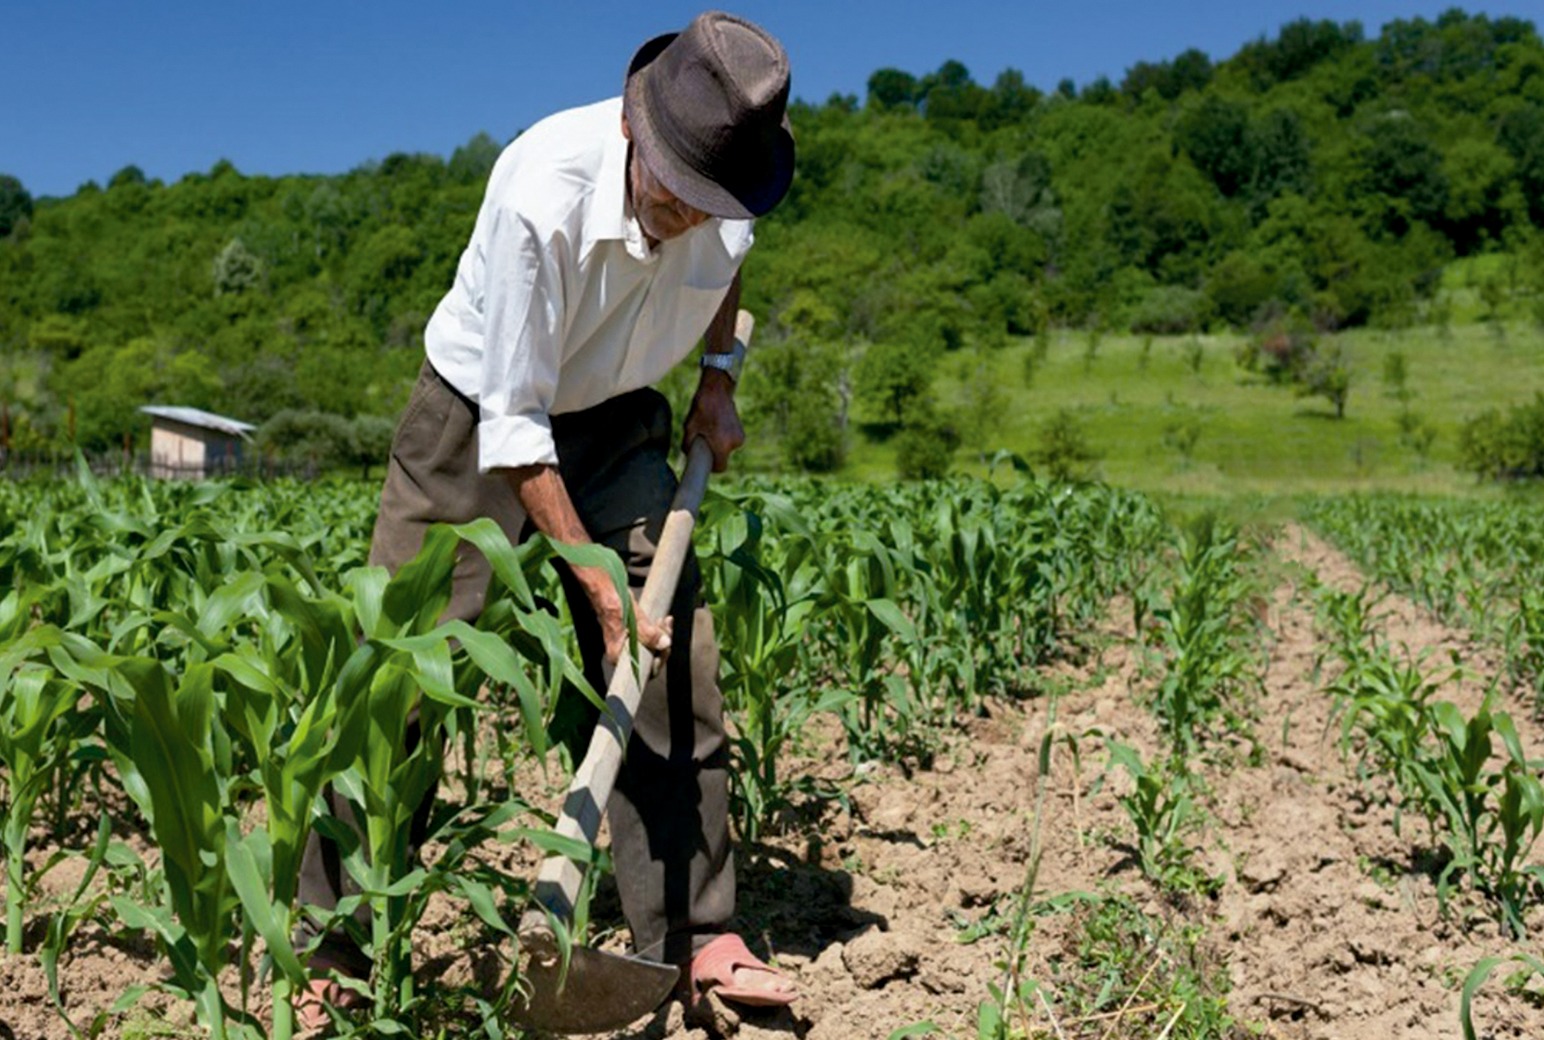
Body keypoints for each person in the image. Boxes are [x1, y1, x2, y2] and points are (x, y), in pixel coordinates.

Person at [293, 9, 799, 1028]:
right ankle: (332, 937)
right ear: (634, 128)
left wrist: (716, 377)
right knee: (401, 669)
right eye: (672, 192)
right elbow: (516, 430)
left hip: (616, 411)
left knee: (671, 655)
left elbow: (727, 266)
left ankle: (694, 934)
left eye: (707, 204)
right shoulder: (541, 191)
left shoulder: (729, 188)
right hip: (480, 412)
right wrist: (595, 586)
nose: (686, 217)